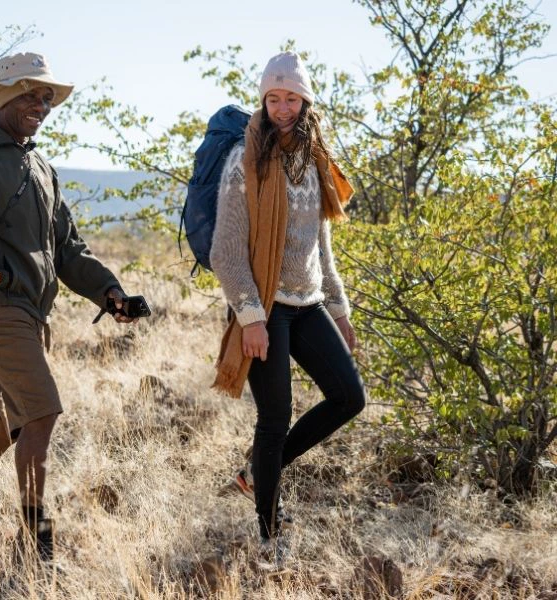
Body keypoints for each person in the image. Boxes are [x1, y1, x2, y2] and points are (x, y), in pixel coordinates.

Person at [0, 52, 138, 562]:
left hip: (33, 315)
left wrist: (111, 293)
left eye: (47, 97)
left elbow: (69, 250)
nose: (41, 104)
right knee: (42, 411)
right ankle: (37, 545)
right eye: (31, 94)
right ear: (6, 97)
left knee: (12, 424)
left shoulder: (42, 167)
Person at [210, 52, 365, 561]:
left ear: (305, 101)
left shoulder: (314, 158)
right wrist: (252, 317)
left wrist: (339, 311)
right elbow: (226, 251)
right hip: (265, 306)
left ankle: (256, 472)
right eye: (273, 98)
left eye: (291, 97)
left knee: (349, 396)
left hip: (310, 302)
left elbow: (322, 246)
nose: (281, 107)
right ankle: (270, 535)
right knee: (275, 417)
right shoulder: (245, 159)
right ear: (263, 99)